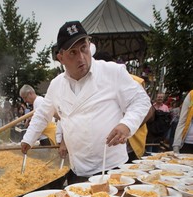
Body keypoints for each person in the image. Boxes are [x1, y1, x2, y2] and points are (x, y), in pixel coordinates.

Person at [20, 21, 151, 182]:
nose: (81, 58)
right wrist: (28, 139)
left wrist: (127, 124)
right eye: (72, 53)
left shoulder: (112, 72)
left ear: (90, 45)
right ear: (61, 57)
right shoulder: (56, 85)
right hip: (78, 170)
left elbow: (141, 100)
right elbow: (42, 115)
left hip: (112, 168)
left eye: (84, 49)